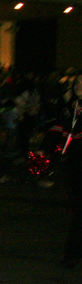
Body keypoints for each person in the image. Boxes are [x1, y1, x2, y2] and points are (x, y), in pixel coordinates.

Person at [44, 75, 82, 268]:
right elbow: (59, 128)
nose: (78, 86)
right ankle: (73, 252)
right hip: (74, 165)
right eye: (76, 83)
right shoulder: (71, 107)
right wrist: (48, 147)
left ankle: (72, 253)